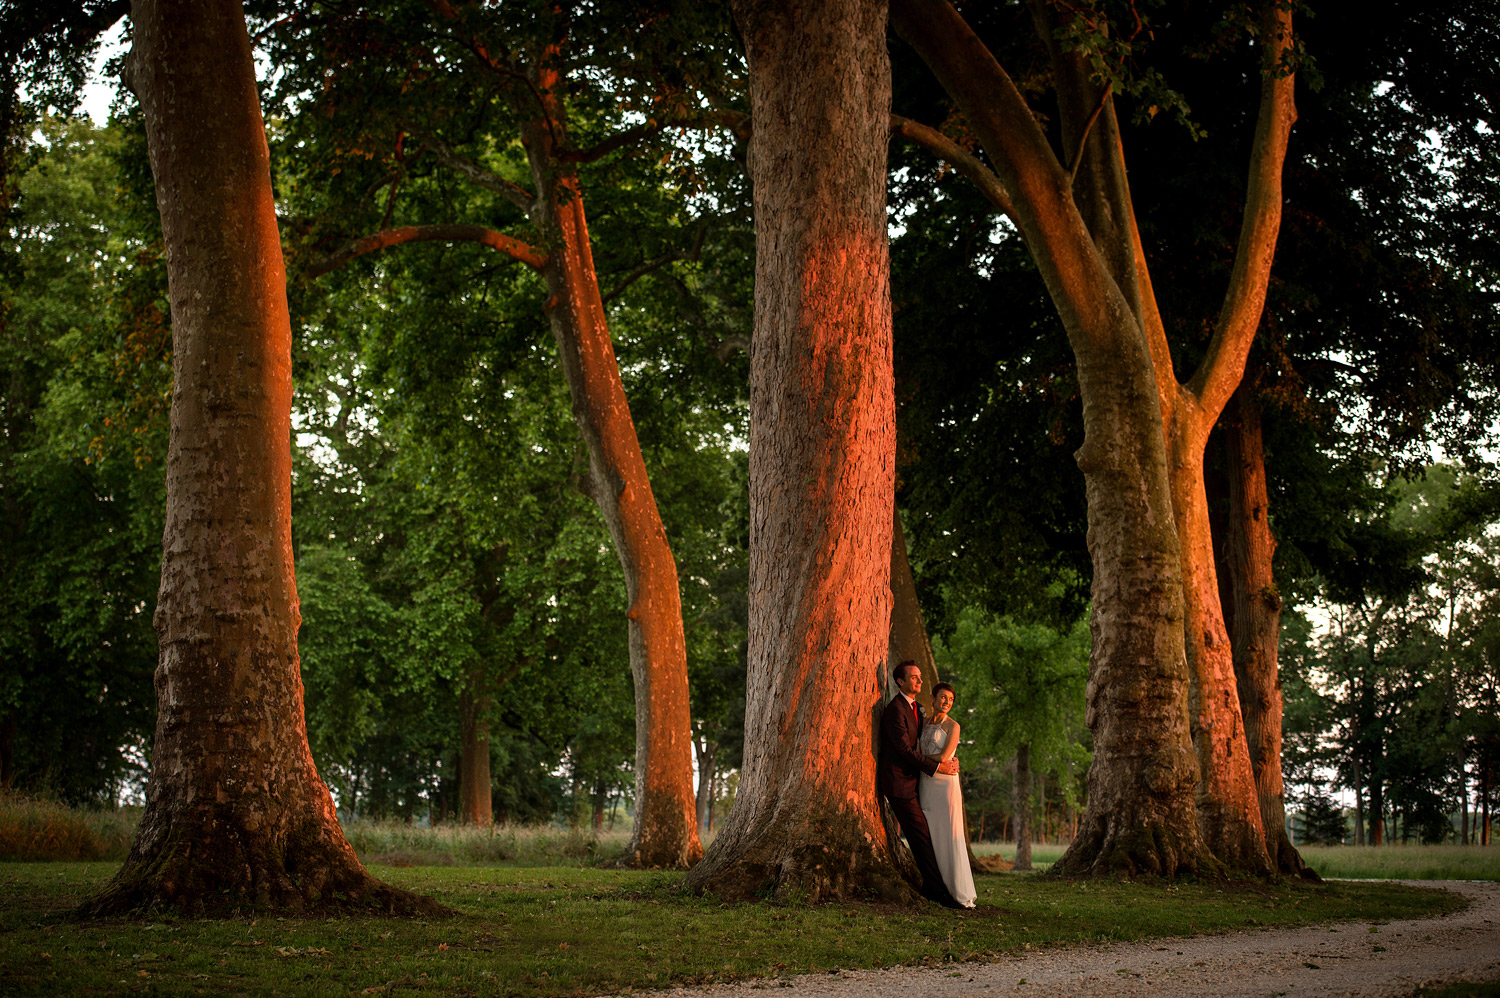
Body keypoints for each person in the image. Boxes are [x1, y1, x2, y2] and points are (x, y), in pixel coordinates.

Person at [878, 660, 964, 908]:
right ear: (900, 682)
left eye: (920, 678)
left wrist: (945, 760)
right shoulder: (895, 710)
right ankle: (939, 893)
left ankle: (935, 887)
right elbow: (904, 749)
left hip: (918, 782)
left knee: (925, 836)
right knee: (921, 837)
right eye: (914, 677)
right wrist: (937, 766)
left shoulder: (918, 709)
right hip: (899, 783)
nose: (920, 681)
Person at [918, 682, 978, 908]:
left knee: (949, 834)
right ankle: (935, 885)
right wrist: (919, 758)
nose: (946, 702)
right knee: (930, 834)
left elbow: (944, 757)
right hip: (926, 784)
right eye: (943, 697)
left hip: (945, 786)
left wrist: (918, 757)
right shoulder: (923, 724)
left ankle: (957, 890)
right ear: (933, 698)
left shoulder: (954, 726)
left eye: (950, 700)